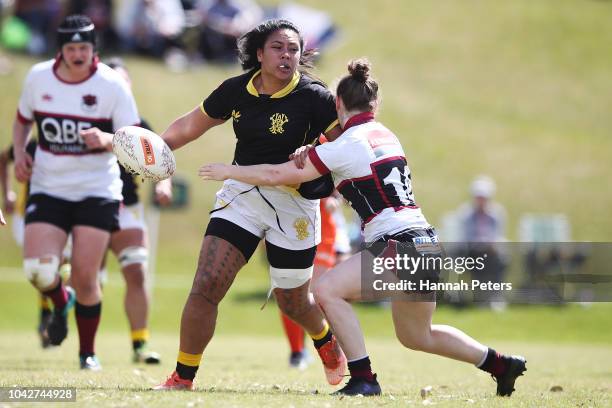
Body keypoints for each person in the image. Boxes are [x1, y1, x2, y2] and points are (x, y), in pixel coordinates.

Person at [199, 58, 527, 397]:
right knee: (417, 336)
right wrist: (314, 150)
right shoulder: (387, 135)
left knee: (326, 290)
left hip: (398, 245)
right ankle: (500, 364)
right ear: (375, 104)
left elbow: (277, 176)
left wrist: (230, 171)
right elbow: (348, 161)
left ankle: (364, 378)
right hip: (427, 243)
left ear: (337, 104)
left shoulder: (345, 146)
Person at [153, 19, 345, 391]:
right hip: (242, 195)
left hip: (294, 205)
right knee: (207, 283)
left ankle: (324, 340)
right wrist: (155, 153)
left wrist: (326, 162)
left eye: (293, 48)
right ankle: (183, 376)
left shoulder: (314, 97)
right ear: (259, 53)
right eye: (277, 47)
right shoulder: (235, 90)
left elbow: (346, 144)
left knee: (294, 303)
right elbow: (190, 125)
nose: (287, 55)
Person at [13, 15, 140, 370]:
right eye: (71, 48)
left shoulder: (112, 85)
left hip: (96, 190)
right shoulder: (38, 77)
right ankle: (59, 299)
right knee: (38, 271)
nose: (78, 54)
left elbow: (133, 138)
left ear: (93, 48)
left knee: (86, 276)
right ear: (61, 50)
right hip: (48, 187)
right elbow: (23, 120)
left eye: (84, 47)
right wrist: (21, 152)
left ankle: (87, 353)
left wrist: (107, 139)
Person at [104, 57, 173, 364]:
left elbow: (162, 159)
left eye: (125, 81)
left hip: (126, 207)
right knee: (82, 278)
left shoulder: (138, 126)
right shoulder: (87, 119)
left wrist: (163, 185)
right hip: (84, 206)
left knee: (136, 272)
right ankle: (62, 321)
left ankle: (139, 346)